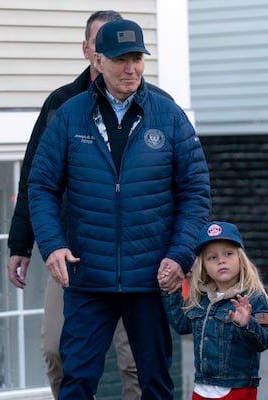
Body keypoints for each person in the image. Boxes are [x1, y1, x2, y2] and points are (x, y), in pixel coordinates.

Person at [27, 18, 211, 399]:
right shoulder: (69, 115)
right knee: (76, 382)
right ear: (98, 59)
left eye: (137, 59)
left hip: (151, 278)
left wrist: (179, 256)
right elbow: (41, 186)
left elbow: (195, 193)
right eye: (120, 59)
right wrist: (52, 245)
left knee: (155, 385)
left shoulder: (169, 117)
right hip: (87, 277)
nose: (131, 68)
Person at [6, 10, 171, 399]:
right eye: (108, 49)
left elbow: (188, 186)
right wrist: (21, 245)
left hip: (141, 260)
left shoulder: (163, 108)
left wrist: (181, 253)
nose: (125, 63)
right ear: (90, 53)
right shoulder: (63, 105)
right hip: (74, 255)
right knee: (58, 351)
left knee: (137, 364)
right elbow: (36, 178)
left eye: (134, 55)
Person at [159, 221, 268, 400]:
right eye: (212, 257)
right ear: (203, 266)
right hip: (202, 388)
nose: (221, 260)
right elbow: (182, 325)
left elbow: (264, 341)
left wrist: (246, 324)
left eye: (228, 253)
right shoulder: (202, 298)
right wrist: (171, 291)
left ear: (240, 258)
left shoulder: (253, 297)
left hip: (238, 388)